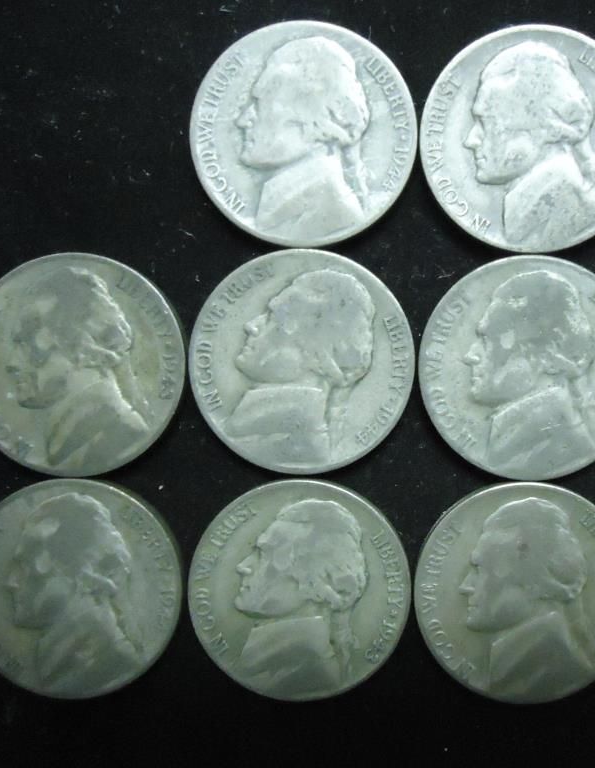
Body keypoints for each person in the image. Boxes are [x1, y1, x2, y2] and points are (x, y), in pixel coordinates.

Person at [463, 41, 595, 250]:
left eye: (486, 122)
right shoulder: (531, 214)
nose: (470, 140)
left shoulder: (578, 211)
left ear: (545, 127)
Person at [224, 269, 375, 467]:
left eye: (271, 317)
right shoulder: (255, 426)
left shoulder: (278, 440)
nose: (251, 326)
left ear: (313, 347)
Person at [6, 266, 151, 472]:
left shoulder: (120, 434)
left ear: (83, 348)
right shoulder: (67, 443)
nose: (11, 363)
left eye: (27, 344)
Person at [459, 496, 595, 702]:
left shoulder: (546, 671)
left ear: (532, 580)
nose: (465, 586)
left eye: (480, 569)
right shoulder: (518, 665)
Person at [463, 270, 595, 475]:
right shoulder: (515, 441)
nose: (470, 356)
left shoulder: (551, 450)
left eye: (487, 340)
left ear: (548, 355)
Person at [7, 492, 142, 697]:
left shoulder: (113, 662)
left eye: (26, 567)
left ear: (78, 573)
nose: (11, 582)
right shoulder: (62, 658)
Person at [237, 36, 371, 242]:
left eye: (261, 103)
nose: (243, 120)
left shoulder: (335, 214)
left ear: (316, 118)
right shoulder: (281, 207)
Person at [233, 499, 368, 699]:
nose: (243, 566)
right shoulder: (266, 665)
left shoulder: (301, 673)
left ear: (315, 580)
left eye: (264, 554)